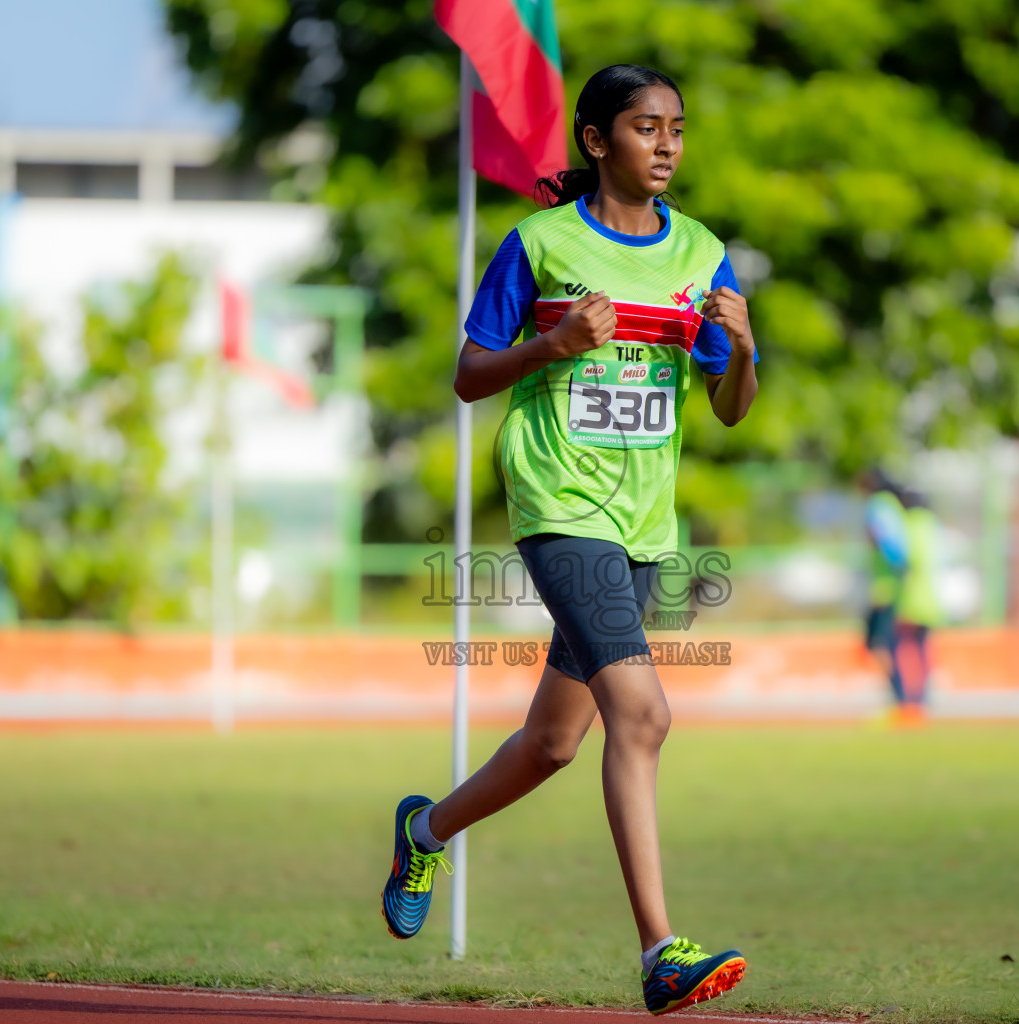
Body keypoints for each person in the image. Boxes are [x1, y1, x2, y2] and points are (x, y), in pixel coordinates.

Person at [380, 65, 759, 1015]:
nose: (667, 145)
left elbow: (729, 409)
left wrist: (744, 348)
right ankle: (660, 952)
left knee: (553, 743)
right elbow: (469, 377)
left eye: (677, 128)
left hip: (642, 525)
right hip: (560, 510)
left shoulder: (703, 253)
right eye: (645, 128)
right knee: (644, 716)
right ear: (598, 141)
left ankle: (425, 831)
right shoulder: (540, 244)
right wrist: (549, 348)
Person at [857, 470, 909, 712]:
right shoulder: (891, 505)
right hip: (887, 587)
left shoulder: (879, 506)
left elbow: (890, 545)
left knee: (881, 645)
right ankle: (899, 700)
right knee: (880, 645)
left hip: (884, 591)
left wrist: (876, 541)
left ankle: (900, 700)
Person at [893, 488, 943, 723]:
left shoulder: (910, 526)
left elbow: (908, 559)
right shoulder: (933, 526)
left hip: (912, 598)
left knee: (904, 649)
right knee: (924, 651)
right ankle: (923, 700)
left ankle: (911, 703)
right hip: (932, 598)